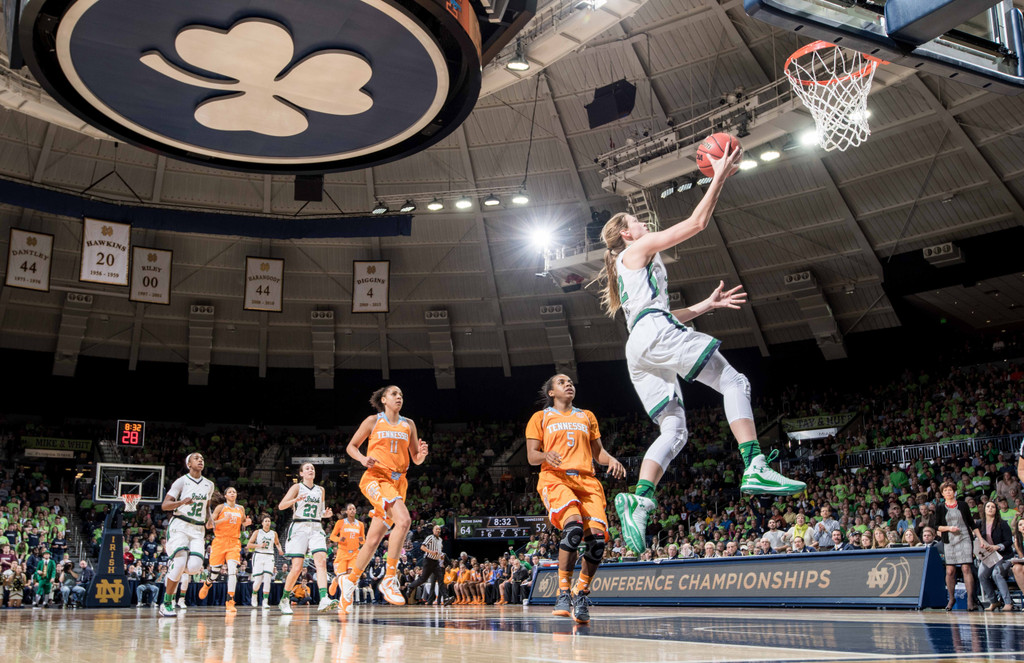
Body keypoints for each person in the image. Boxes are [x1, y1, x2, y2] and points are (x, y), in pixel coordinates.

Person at [599, 149, 805, 552]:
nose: (642, 223)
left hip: (640, 346)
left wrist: (704, 307)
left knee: (674, 429)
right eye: (636, 221)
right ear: (626, 233)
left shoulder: (630, 265)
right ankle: (756, 465)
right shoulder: (636, 250)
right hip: (653, 334)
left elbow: (656, 313)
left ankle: (640, 499)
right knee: (733, 380)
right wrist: (720, 177)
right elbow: (697, 222)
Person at [526, 373, 626, 624]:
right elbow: (531, 456)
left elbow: (599, 453)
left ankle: (580, 592)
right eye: (561, 382)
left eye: (570, 381)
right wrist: (545, 455)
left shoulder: (587, 416)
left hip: (587, 482)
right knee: (573, 529)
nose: (568, 384)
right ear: (551, 393)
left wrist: (611, 459)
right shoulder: (541, 417)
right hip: (556, 478)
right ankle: (562, 592)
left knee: (599, 542)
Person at [339, 386, 428, 613]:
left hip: (399, 482)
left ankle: (349, 582)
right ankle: (389, 578)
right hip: (377, 478)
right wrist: (361, 458)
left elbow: (415, 458)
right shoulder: (373, 421)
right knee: (404, 521)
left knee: (373, 541)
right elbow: (351, 446)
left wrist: (422, 456)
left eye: (401, 394)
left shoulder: (409, 424)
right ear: (383, 399)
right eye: (394, 394)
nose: (399, 397)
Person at [159, 452, 215, 618]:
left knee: (194, 567)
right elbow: (165, 505)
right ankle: (167, 602)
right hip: (181, 525)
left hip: (198, 529)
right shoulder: (182, 481)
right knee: (181, 560)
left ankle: (174, 569)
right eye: (196, 458)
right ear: (189, 464)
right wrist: (181, 502)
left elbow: (207, 506)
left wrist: (210, 519)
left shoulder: (209, 485)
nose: (200, 460)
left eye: (202, 459)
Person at [277, 462, 338, 613]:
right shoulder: (297, 487)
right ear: (301, 473)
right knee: (297, 567)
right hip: (299, 527)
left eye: (312, 468)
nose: (310, 470)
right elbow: (281, 506)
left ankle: (324, 599)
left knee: (321, 561)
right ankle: (284, 599)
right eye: (307, 468)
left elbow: (320, 511)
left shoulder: (320, 490)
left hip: (316, 527)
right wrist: (294, 501)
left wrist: (325, 515)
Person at [198, 486, 251, 612]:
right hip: (220, 541)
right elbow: (209, 525)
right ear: (225, 495)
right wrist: (223, 520)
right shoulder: (220, 507)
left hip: (234, 542)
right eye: (230, 492)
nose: (232, 493)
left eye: (234, 491)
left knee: (233, 571)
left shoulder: (241, 508)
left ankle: (230, 600)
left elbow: (243, 522)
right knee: (215, 572)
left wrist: (246, 522)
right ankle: (207, 583)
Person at [936, 481, 980, 611]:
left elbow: (971, 523)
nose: (948, 492)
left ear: (954, 491)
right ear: (942, 493)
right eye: (946, 490)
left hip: (965, 537)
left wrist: (980, 539)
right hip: (949, 540)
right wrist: (949, 528)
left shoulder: (963, 505)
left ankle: (970, 599)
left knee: (966, 568)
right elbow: (936, 526)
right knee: (950, 571)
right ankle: (951, 598)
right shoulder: (940, 507)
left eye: (950, 489)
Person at [976, 501, 1014, 612]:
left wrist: (997, 547)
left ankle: (1008, 602)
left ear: (996, 509)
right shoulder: (979, 523)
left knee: (996, 574)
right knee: (981, 575)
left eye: (993, 507)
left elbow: (1008, 541)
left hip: (1003, 556)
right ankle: (994, 601)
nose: (990, 508)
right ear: (984, 509)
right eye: (988, 506)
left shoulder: (1002, 523)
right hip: (988, 556)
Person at [328, 503, 365, 598]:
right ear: (347, 511)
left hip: (354, 553)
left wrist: (362, 541)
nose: (352, 510)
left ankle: (347, 597)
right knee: (341, 576)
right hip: (343, 553)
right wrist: (339, 539)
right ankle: (334, 582)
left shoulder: (360, 524)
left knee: (350, 576)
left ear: (356, 511)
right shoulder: (340, 522)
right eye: (350, 509)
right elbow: (332, 536)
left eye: (354, 509)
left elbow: (362, 538)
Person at [247, 515, 283, 609]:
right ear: (262, 523)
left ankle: (265, 601)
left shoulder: (274, 533)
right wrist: (259, 545)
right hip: (259, 555)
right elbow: (249, 544)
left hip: (269, 556)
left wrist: (280, 549)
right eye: (266, 521)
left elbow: (277, 543)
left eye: (269, 521)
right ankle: (254, 595)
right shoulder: (257, 532)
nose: (268, 522)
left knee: (267, 579)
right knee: (258, 580)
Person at [407, 524, 446, 604]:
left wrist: (440, 556)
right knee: (423, 579)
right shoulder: (430, 537)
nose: (438, 531)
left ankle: (446, 598)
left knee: (441, 579)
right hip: (428, 560)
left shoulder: (440, 540)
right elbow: (422, 547)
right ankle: (410, 586)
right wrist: (431, 552)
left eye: (439, 529)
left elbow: (438, 551)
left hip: (436, 562)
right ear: (433, 530)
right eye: (436, 529)